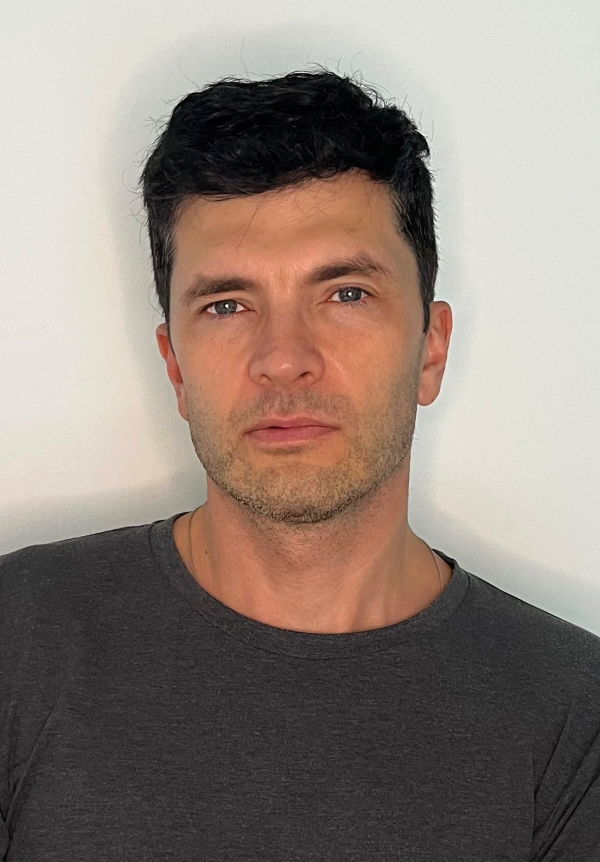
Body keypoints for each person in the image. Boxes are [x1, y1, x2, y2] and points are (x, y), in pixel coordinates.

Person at [1, 68, 598, 861]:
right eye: (227, 305)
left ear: (431, 349)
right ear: (175, 367)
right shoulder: (17, 640)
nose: (284, 359)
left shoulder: (573, 718)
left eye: (345, 294)